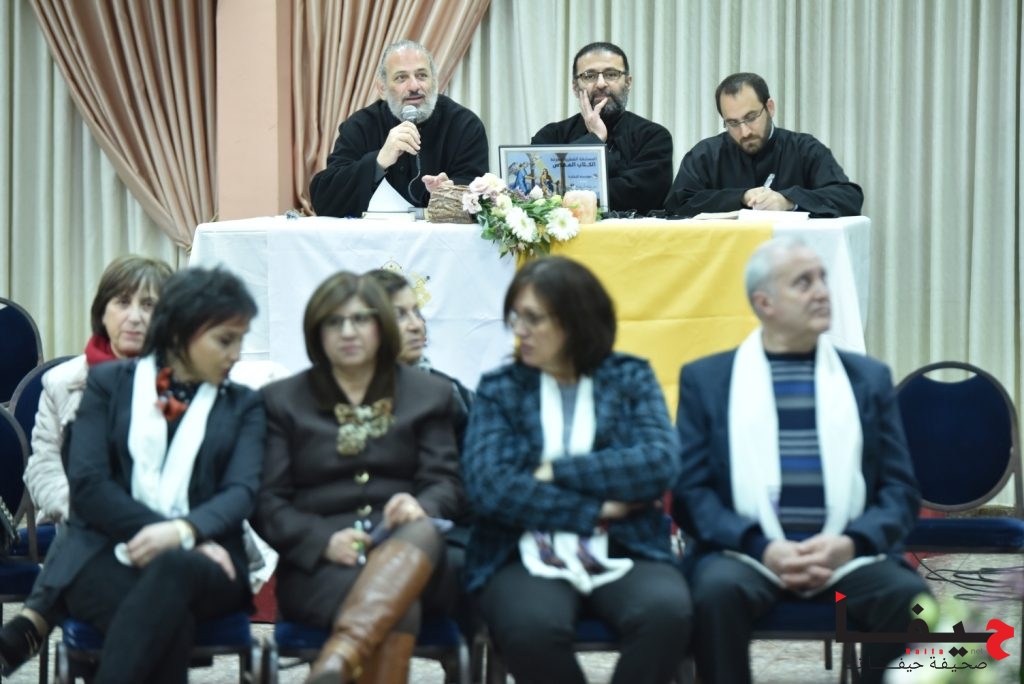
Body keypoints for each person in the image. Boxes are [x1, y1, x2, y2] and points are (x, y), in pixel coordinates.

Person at [672, 237, 928, 683]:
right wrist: (763, 548)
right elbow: (692, 495)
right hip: (744, 554)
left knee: (909, 599)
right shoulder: (708, 380)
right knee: (713, 593)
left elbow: (900, 490)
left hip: (846, 553)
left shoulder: (867, 379)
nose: (822, 292)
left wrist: (850, 543)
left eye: (822, 279)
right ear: (764, 303)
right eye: (803, 283)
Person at [4, 267, 264, 684]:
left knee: (170, 572)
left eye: (239, 340)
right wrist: (175, 533)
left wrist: (184, 533)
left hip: (209, 560)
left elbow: (241, 492)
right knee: (165, 604)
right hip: (115, 551)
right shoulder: (105, 385)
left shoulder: (243, 403)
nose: (235, 354)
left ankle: (35, 621)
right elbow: (89, 487)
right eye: (224, 340)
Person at [462, 256, 692, 684]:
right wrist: (594, 509)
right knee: (531, 627)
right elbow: (491, 486)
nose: (519, 330)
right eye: (515, 317)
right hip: (520, 550)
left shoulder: (629, 378)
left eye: (533, 318)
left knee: (667, 612)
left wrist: (554, 470)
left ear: (576, 320)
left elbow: (658, 463)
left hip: (625, 544)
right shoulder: (501, 389)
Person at [252, 272, 462, 684]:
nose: (348, 332)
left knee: (421, 531)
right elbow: (266, 501)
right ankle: (338, 662)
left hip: (416, 552)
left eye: (361, 319)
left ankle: (336, 661)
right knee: (400, 605)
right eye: (334, 321)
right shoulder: (282, 401)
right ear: (316, 331)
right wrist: (321, 541)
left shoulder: (428, 394)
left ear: (380, 325)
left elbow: (447, 484)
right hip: (322, 568)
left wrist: (422, 506)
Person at [0, 255, 173, 676]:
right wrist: (80, 506)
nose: (134, 316)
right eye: (122, 302)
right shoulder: (62, 384)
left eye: (149, 305)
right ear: (102, 311)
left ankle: (34, 621)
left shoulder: (191, 384)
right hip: (86, 526)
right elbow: (41, 469)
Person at [310, 40, 489, 218]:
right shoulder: (360, 126)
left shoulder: (465, 125)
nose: (414, 86)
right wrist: (378, 162)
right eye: (401, 78)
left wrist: (448, 193)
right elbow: (324, 198)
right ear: (382, 89)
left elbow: (481, 196)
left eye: (422, 75)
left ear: (434, 82)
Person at [664, 72, 864, 217]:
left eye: (751, 117)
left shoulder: (804, 149)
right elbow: (676, 204)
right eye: (733, 123)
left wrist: (789, 201)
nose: (745, 132)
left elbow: (849, 198)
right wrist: (741, 197)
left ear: (770, 107)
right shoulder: (706, 154)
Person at [531, 42, 673, 216]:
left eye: (611, 74)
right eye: (589, 76)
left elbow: (643, 196)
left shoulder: (654, 137)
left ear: (628, 82)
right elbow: (539, 194)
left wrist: (573, 194)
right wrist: (595, 138)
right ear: (575, 87)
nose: (600, 84)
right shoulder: (550, 137)